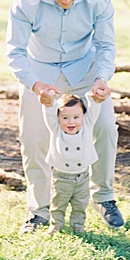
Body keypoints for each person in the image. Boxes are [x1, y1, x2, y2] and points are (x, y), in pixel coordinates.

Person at [7, 0, 125, 234]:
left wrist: (101, 78)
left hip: (85, 70)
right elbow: (15, 51)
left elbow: (106, 46)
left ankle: (104, 196)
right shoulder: (26, 0)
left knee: (106, 128)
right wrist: (35, 84)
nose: (66, 0)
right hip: (39, 71)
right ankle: (39, 212)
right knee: (34, 139)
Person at [40, 90, 106, 234]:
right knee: (58, 203)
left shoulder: (86, 127)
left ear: (83, 116)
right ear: (58, 118)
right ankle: (56, 224)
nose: (71, 122)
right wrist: (49, 104)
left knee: (80, 204)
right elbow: (49, 115)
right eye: (65, 117)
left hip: (82, 177)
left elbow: (93, 111)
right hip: (61, 178)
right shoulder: (56, 129)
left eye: (76, 117)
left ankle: (78, 225)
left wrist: (93, 99)